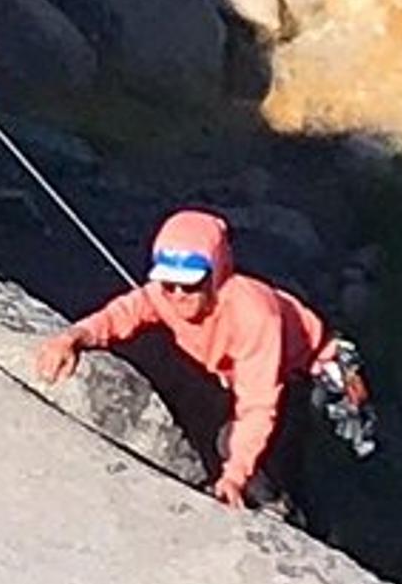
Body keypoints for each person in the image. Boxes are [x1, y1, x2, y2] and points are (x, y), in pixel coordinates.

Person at [34, 208, 374, 513]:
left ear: (216, 275)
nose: (178, 296)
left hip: (300, 370)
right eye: (168, 284)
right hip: (233, 369)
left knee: (237, 442)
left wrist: (235, 474)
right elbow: (123, 313)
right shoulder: (163, 296)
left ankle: (281, 510)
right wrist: (73, 337)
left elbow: (258, 404)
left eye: (191, 284)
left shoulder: (253, 314)